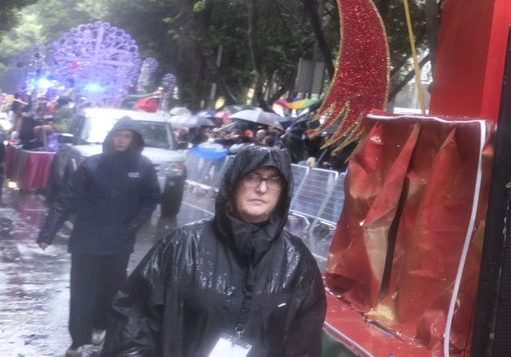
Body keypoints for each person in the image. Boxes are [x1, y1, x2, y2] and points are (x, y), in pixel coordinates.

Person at [103, 145, 326, 357]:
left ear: (283, 192)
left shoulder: (297, 262)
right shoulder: (182, 246)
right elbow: (132, 322)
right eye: (252, 177)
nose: (262, 188)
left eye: (274, 180)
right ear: (233, 183)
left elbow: (303, 345)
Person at [37, 118, 162, 357]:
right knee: (82, 290)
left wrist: (132, 225)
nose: (121, 141)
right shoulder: (92, 165)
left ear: (134, 139)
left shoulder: (143, 167)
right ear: (110, 137)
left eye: (127, 137)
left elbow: (151, 199)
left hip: (119, 240)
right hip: (87, 238)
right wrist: (48, 232)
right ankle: (78, 340)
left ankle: (101, 326)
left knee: (111, 290)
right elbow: (67, 198)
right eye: (118, 136)